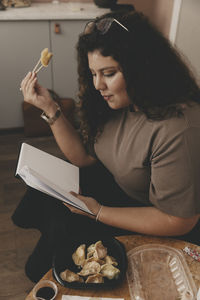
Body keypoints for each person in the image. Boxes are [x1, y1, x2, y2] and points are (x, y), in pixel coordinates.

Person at [12, 9, 200, 283]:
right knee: (49, 197)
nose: (98, 85)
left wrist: (98, 211)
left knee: (69, 234)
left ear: (141, 68)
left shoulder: (178, 129)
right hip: (122, 186)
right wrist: (49, 108)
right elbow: (84, 157)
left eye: (109, 73)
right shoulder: (116, 102)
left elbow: (179, 220)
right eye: (93, 74)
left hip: (161, 220)